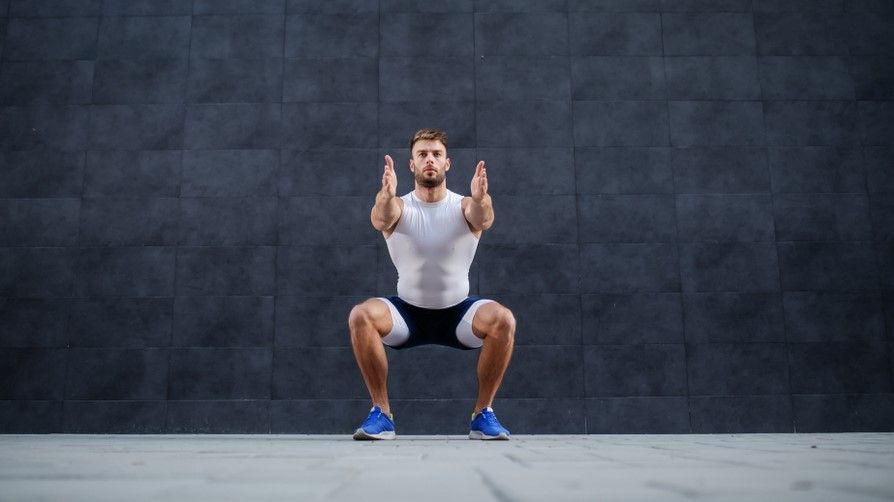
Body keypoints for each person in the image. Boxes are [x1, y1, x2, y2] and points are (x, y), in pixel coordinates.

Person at [348, 128, 516, 440]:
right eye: (422, 154)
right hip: (406, 316)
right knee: (361, 315)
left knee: (503, 320)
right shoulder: (399, 205)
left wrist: (481, 198)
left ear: (447, 164)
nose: (430, 160)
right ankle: (381, 414)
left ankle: (483, 414)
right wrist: (385, 195)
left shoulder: (465, 204)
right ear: (411, 165)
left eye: (436, 154)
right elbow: (382, 218)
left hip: (458, 316)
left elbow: (482, 218)